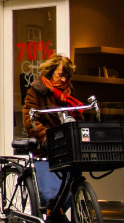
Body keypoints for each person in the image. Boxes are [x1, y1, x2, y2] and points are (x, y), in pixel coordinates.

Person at [22, 54, 82, 209]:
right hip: (45, 152)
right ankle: (51, 217)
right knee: (50, 194)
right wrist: (47, 139)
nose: (63, 80)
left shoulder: (69, 93)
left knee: (69, 193)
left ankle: (57, 217)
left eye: (67, 77)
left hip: (66, 151)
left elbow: (78, 116)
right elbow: (30, 121)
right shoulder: (35, 92)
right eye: (60, 75)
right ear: (50, 72)